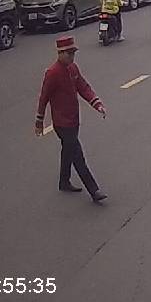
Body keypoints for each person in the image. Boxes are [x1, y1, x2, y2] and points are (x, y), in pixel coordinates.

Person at [34, 37, 107, 202]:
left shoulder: (73, 68)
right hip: (62, 123)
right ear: (60, 53)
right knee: (77, 155)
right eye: (69, 54)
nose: (72, 57)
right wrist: (39, 121)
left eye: (73, 53)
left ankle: (64, 181)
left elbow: (83, 87)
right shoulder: (52, 73)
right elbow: (43, 98)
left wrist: (97, 104)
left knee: (68, 151)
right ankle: (94, 190)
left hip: (74, 119)